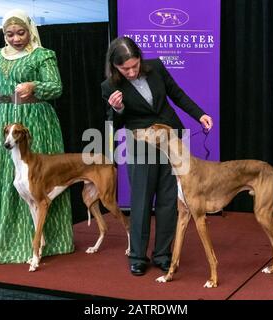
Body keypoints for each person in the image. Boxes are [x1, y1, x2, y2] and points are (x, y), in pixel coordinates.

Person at [101, 36, 213, 276]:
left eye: (135, 65)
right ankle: (138, 256)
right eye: (125, 68)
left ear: (140, 58)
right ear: (115, 66)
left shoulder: (158, 67)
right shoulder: (109, 86)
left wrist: (199, 114)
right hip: (141, 142)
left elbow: (177, 94)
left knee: (168, 198)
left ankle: (162, 253)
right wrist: (117, 108)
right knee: (141, 201)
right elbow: (115, 124)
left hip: (171, 139)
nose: (131, 71)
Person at [0, 9, 74, 263]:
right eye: (10, 34)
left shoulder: (42, 55)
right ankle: (9, 244)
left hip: (34, 122)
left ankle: (44, 244)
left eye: (20, 33)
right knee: (8, 181)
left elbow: (57, 87)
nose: (16, 38)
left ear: (30, 31)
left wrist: (34, 86)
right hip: (4, 122)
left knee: (38, 181)